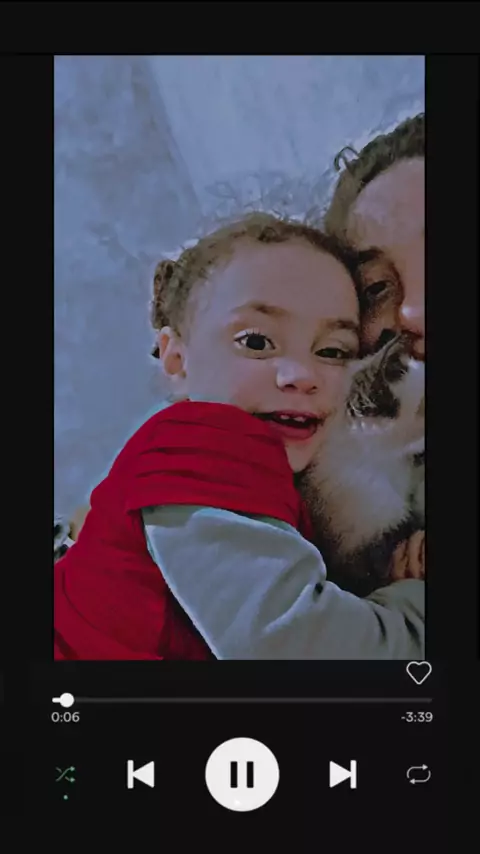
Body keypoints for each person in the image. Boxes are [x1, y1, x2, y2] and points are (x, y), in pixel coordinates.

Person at [54, 211, 422, 660]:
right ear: (177, 360)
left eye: (331, 351)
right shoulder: (202, 447)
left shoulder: (276, 467)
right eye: (256, 342)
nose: (301, 374)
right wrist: (412, 606)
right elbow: (293, 647)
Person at [143, 115, 425, 659]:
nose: (412, 311)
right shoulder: (201, 459)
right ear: (175, 358)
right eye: (378, 287)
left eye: (331, 350)